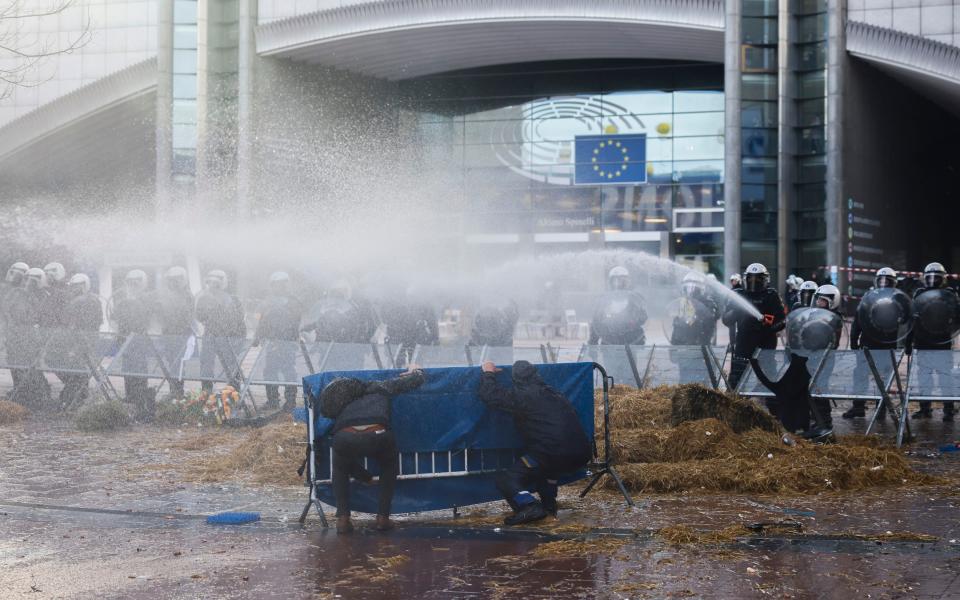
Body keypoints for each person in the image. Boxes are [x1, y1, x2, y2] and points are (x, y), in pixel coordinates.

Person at [478, 360, 592, 525]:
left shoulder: (523, 396)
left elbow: (490, 395)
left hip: (551, 453)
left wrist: (487, 372)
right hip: (581, 454)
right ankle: (549, 507)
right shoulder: (555, 394)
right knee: (548, 470)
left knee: (506, 479)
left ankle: (529, 505)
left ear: (515, 379)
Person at [320, 364, 426, 534]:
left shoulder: (343, 397)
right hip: (378, 434)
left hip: (345, 436)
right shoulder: (379, 387)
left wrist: (364, 477)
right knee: (389, 465)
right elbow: (414, 381)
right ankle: (383, 518)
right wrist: (417, 370)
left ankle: (343, 519)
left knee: (340, 465)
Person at [845, 267, 900, 419]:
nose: (883, 283)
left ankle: (880, 409)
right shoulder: (868, 296)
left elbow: (903, 323)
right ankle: (858, 407)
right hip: (867, 345)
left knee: (883, 379)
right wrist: (854, 339)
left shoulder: (897, 299)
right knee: (860, 376)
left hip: (886, 346)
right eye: (880, 280)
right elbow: (858, 319)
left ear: (893, 282)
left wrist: (904, 343)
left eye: (886, 280)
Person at [722, 263, 786, 390]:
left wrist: (768, 327)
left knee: (769, 377)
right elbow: (726, 320)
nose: (753, 282)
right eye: (750, 278)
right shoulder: (738, 294)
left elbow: (782, 321)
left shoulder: (771, 295)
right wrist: (736, 311)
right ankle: (733, 401)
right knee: (736, 377)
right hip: (744, 341)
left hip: (766, 342)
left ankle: (771, 403)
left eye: (757, 279)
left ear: (765, 280)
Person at [910, 262, 959, 421]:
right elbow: (913, 319)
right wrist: (908, 343)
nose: (932, 280)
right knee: (924, 377)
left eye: (936, 277)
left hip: (942, 341)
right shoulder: (919, 293)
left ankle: (949, 410)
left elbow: (957, 316)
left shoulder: (949, 294)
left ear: (943, 278)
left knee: (945, 377)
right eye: (929, 277)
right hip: (923, 341)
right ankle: (925, 408)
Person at [254, 272, 303, 410]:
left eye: (281, 284)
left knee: (288, 372)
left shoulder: (293, 302)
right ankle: (273, 400)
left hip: (287, 343)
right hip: (271, 343)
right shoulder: (267, 302)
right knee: (270, 371)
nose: (279, 287)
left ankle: (291, 400)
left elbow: (294, 322)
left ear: (286, 285)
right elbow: (261, 320)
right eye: (276, 285)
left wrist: (284, 337)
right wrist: (258, 336)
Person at [5, 268, 52, 406]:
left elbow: (38, 316)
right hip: (16, 336)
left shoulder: (42, 296)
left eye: (34, 280)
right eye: (28, 279)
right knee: (17, 364)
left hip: (29, 338)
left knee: (28, 366)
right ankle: (23, 392)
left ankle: (35, 394)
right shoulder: (16, 293)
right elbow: (8, 311)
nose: (30, 283)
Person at [195, 270, 246, 394]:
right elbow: (200, 316)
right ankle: (207, 392)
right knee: (208, 365)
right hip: (213, 337)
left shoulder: (232, 299)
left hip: (224, 337)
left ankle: (233, 392)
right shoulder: (204, 297)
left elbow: (239, 318)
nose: (213, 285)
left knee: (230, 366)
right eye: (211, 282)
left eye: (216, 283)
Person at [113, 270, 155, 420]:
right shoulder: (122, 298)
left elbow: (146, 316)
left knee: (139, 369)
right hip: (125, 337)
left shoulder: (147, 298)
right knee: (127, 368)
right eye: (130, 282)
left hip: (139, 338)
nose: (132, 285)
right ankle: (130, 396)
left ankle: (140, 399)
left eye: (136, 282)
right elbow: (115, 315)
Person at [58, 274, 104, 408]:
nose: (76, 288)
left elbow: (93, 321)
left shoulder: (86, 301)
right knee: (77, 366)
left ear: (85, 285)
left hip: (82, 339)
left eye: (79, 285)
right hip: (81, 339)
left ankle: (77, 395)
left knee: (78, 366)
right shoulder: (84, 300)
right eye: (74, 285)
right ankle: (78, 393)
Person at [153, 266, 196, 399]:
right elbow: (161, 313)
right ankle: (174, 389)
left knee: (178, 364)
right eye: (171, 280)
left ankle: (178, 391)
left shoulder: (187, 295)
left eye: (176, 280)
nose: (173, 283)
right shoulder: (167, 295)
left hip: (180, 334)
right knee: (171, 362)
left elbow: (185, 316)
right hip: (168, 334)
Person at [749, 353, 813, 434]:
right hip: (797, 415)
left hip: (791, 416)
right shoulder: (795, 378)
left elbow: (764, 380)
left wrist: (754, 364)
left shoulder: (781, 387)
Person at [588, 266, 648, 345]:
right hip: (609, 341)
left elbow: (643, 317)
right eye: (615, 281)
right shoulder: (603, 300)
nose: (619, 284)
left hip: (630, 341)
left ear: (628, 282)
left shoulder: (635, 299)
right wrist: (592, 343)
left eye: (623, 281)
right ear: (610, 282)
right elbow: (596, 321)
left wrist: (632, 323)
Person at [382, 290, 439, 367]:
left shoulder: (397, 301)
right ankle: (404, 373)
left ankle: (401, 373)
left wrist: (435, 339)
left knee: (406, 361)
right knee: (403, 361)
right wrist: (435, 338)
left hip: (409, 338)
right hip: (407, 337)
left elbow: (385, 319)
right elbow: (386, 319)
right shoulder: (421, 303)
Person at [669, 272, 719, 346]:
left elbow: (710, 322)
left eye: (693, 287)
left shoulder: (708, 302)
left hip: (700, 343)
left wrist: (697, 320)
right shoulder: (683, 302)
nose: (690, 290)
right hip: (682, 343)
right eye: (688, 287)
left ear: (700, 289)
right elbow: (677, 326)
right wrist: (674, 345)